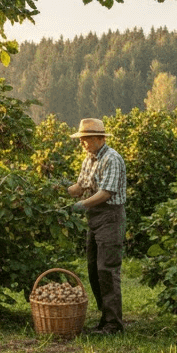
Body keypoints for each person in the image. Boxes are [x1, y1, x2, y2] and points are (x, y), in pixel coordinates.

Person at [67, 118, 127, 334]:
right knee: (93, 268)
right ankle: (105, 317)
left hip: (110, 216)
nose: (82, 143)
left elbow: (105, 193)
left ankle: (114, 324)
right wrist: (59, 188)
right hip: (94, 217)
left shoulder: (112, 158)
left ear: (99, 138)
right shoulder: (89, 159)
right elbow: (80, 186)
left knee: (107, 269)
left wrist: (80, 205)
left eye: (86, 139)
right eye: (81, 140)